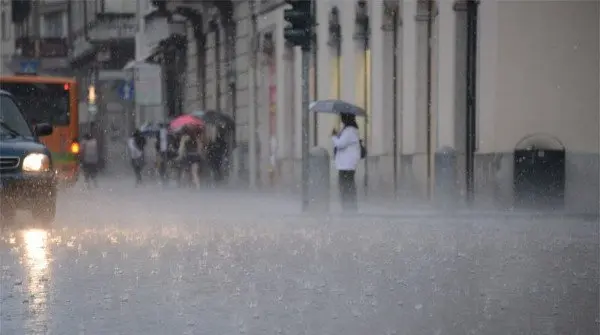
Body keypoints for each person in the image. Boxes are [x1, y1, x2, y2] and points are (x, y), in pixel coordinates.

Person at [331, 113, 361, 211]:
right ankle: (349, 207)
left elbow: (340, 144)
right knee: (347, 186)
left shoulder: (350, 131)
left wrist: (334, 136)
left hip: (346, 165)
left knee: (346, 187)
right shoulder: (350, 130)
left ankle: (349, 207)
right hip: (346, 165)